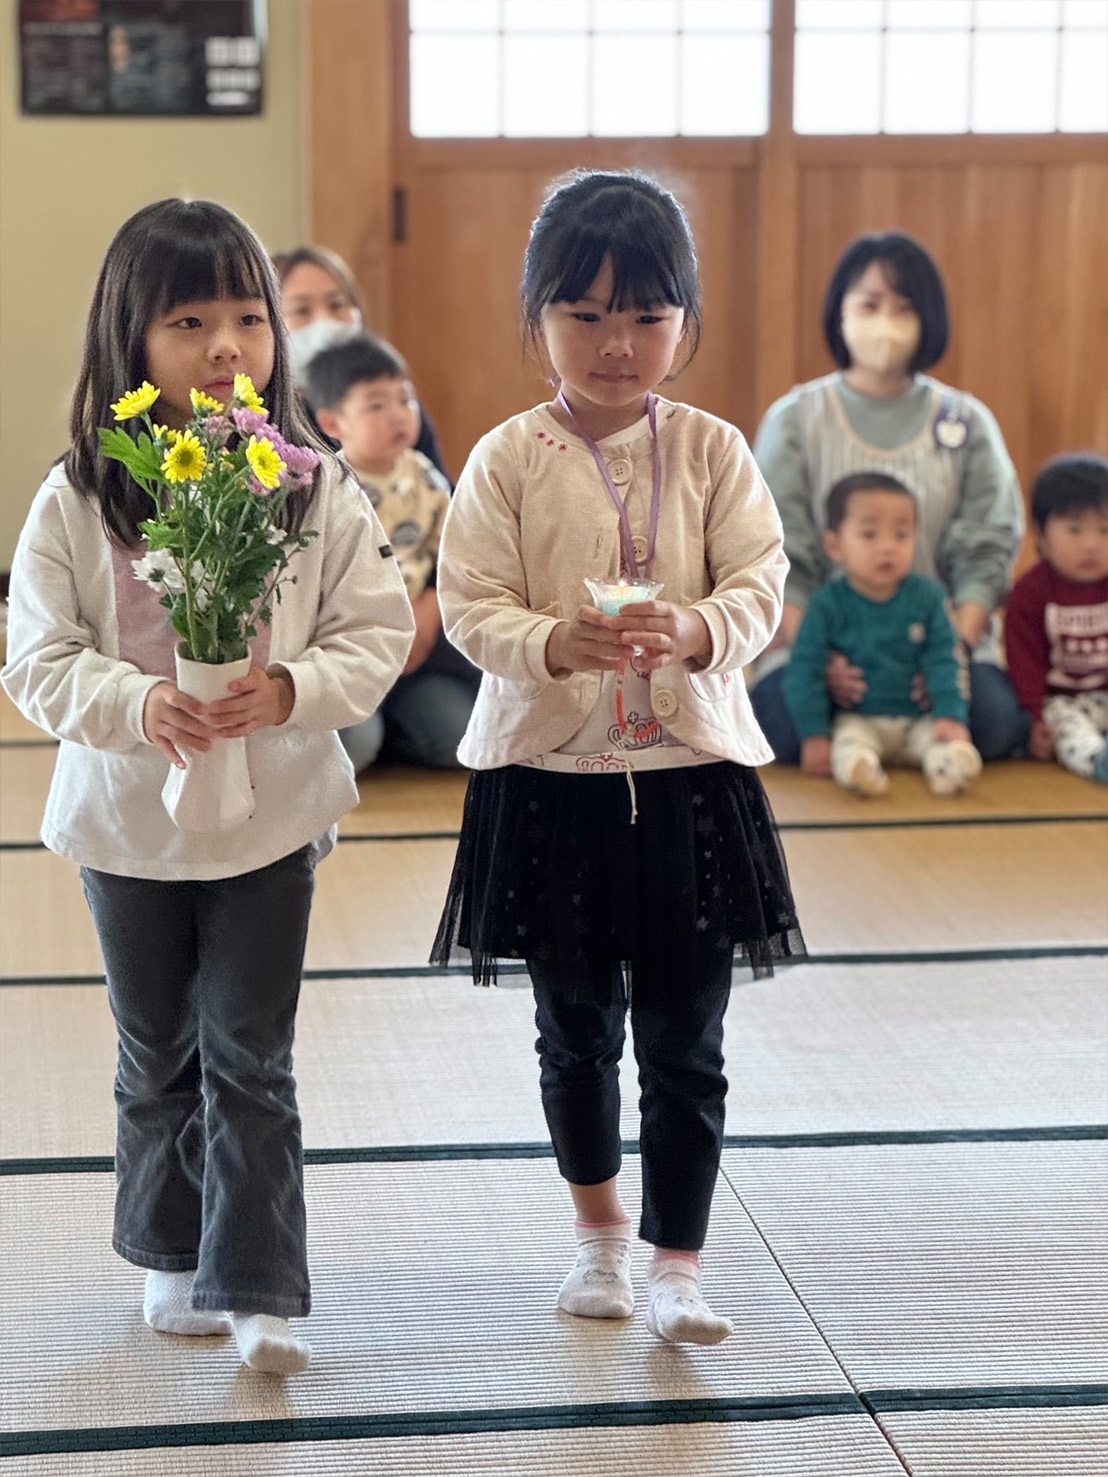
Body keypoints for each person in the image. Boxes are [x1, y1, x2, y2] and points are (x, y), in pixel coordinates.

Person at [1, 199, 414, 1375]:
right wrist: (135, 704)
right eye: (189, 322)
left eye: (248, 318)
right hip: (124, 825)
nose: (226, 346)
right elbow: (34, 656)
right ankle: (170, 1251)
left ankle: (258, 1284)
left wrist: (290, 689)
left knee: (251, 1054)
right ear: (129, 336)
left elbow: (376, 631)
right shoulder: (78, 494)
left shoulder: (312, 484)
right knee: (154, 1052)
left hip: (270, 819)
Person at [429, 170, 805, 1347]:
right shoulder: (505, 457)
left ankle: (678, 1263)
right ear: (537, 314)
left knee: (688, 1040)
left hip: (693, 782)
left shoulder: (712, 449)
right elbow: (466, 600)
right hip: (550, 788)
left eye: (646, 314)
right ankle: (597, 1236)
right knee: (575, 1030)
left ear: (685, 319)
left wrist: (699, 628)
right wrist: (548, 641)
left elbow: (760, 582)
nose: (617, 343)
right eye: (584, 313)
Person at [751, 230, 1028, 764]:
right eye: (870, 305)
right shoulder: (796, 419)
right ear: (841, 312)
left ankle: (885, 733)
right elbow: (781, 549)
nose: (886, 322)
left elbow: (988, 545)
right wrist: (818, 657)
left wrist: (951, 651)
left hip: (936, 641)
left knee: (996, 724)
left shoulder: (967, 421)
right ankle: (877, 734)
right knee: (781, 725)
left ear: (929, 319)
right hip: (825, 642)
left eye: (904, 308)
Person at [305, 334, 480, 769]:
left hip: (416, 651)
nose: (399, 414)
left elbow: (456, 544)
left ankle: (398, 726)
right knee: (353, 748)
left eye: (405, 399)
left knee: (463, 737)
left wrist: (433, 604)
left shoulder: (424, 474)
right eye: (376, 405)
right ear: (333, 422)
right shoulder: (329, 484)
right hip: (348, 646)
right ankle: (372, 729)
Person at [784, 473, 981, 798]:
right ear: (834, 545)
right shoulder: (826, 604)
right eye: (869, 534)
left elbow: (947, 657)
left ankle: (949, 767)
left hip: (918, 716)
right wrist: (814, 734)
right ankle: (861, 771)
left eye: (901, 534)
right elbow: (805, 670)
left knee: (938, 741)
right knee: (848, 743)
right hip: (858, 717)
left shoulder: (930, 598)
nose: (888, 547)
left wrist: (950, 714)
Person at [274, 244, 451, 482]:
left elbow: (445, 497)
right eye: (301, 310)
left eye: (337, 305)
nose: (325, 321)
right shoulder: (269, 420)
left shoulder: (396, 405)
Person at [1004, 454, 1108, 783]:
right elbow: (1024, 660)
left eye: (1105, 530)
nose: (1091, 545)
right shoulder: (1031, 592)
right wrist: (1036, 714)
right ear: (1042, 535)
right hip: (1060, 700)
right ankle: (1098, 760)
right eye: (1074, 530)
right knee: (1067, 728)